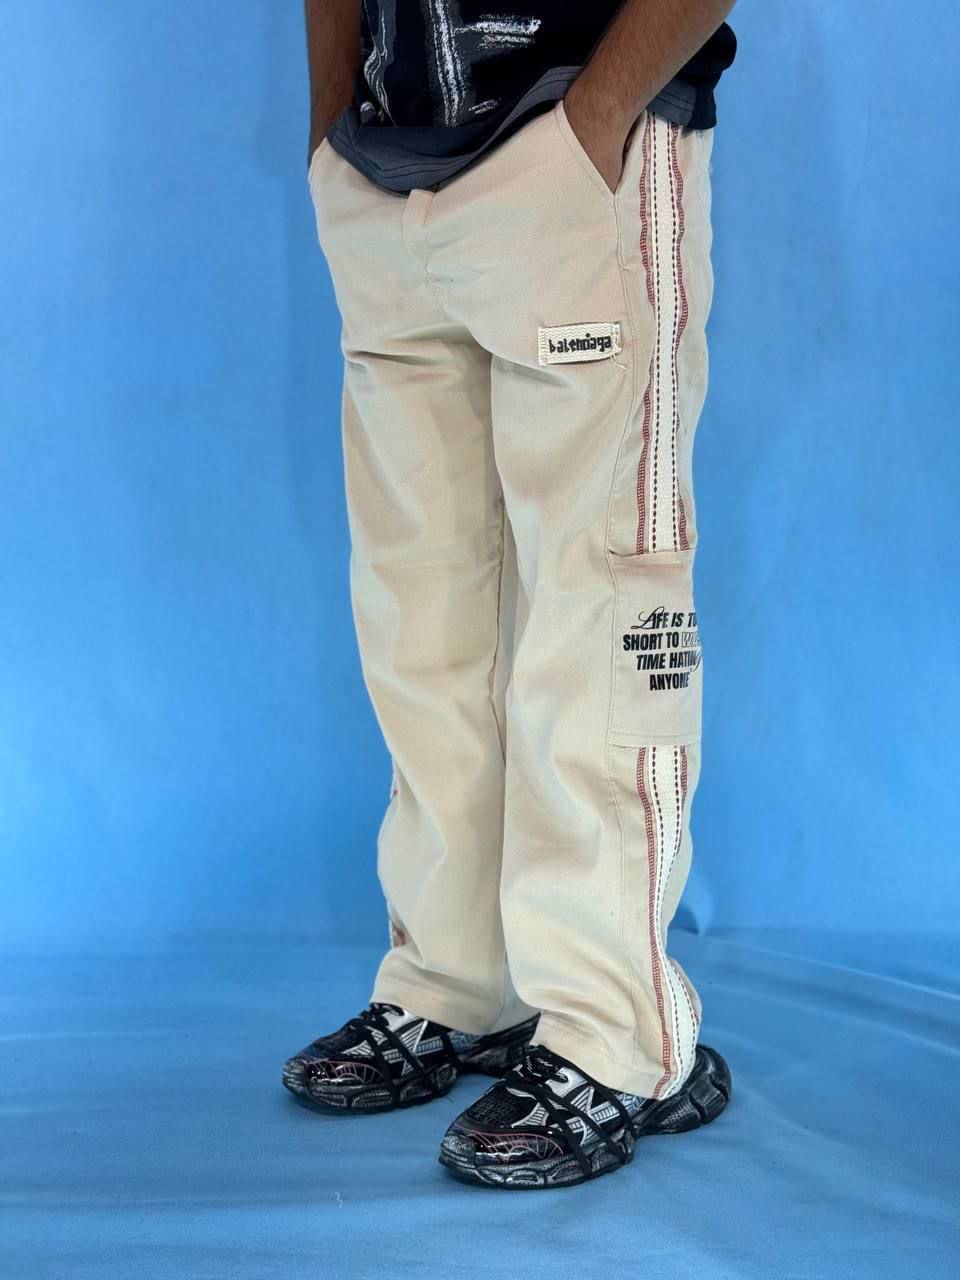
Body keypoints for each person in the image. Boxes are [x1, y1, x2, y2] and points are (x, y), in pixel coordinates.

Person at [283, 0, 737, 1190]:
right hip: (389, 168)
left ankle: (615, 1033)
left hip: (575, 148)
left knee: (600, 611)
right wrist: (332, 131)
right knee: (421, 624)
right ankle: (458, 980)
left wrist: (598, 118)